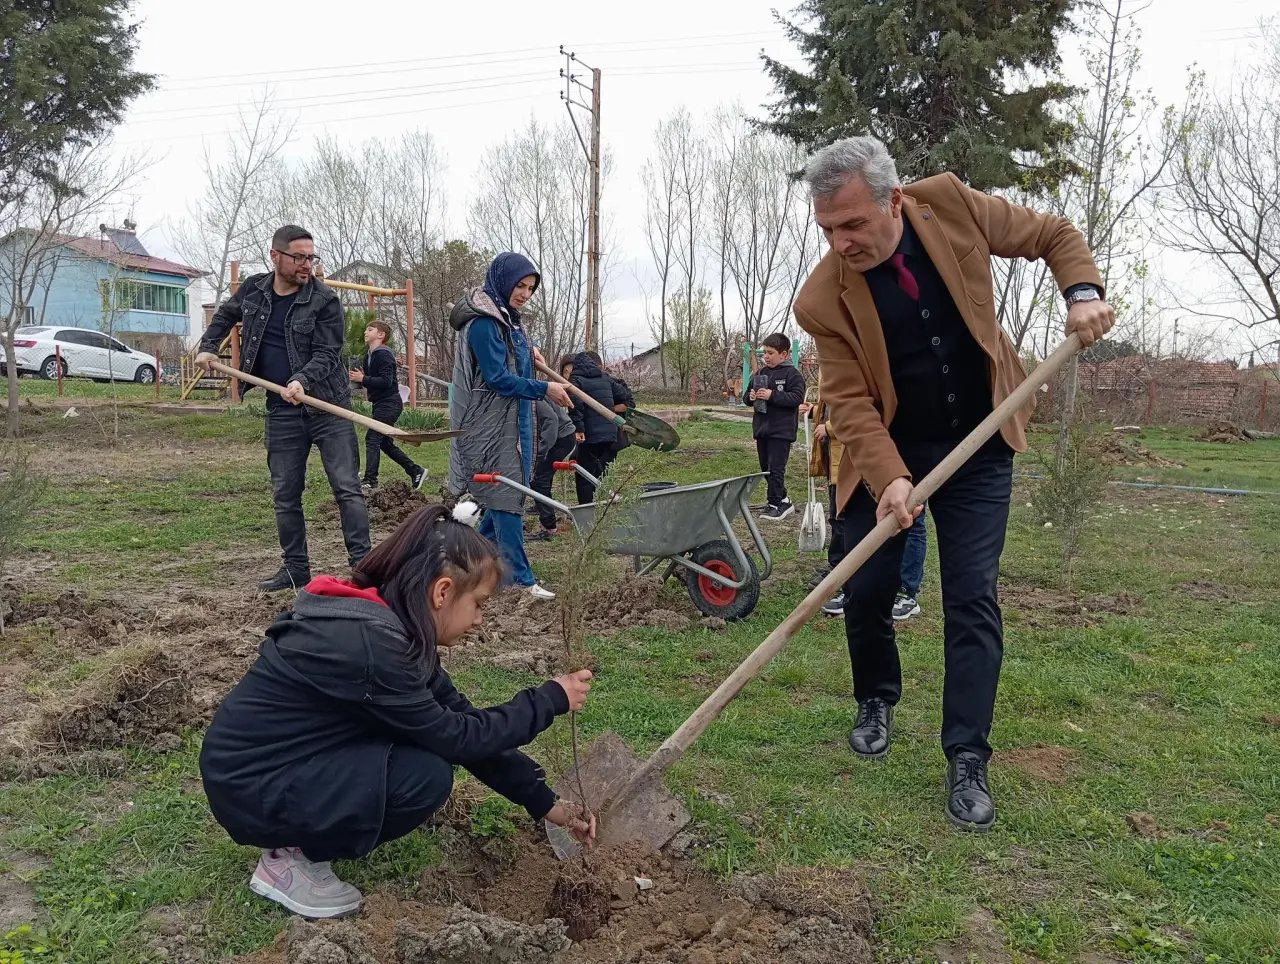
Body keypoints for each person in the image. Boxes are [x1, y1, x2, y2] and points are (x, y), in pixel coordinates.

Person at [793, 136, 1113, 831]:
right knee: (869, 589)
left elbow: (1052, 234)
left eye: (852, 224)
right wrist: (891, 479)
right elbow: (848, 403)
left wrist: (1082, 291)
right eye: (828, 230)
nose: (841, 242)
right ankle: (876, 697)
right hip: (890, 448)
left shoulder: (951, 205)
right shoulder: (822, 299)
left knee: (972, 598)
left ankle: (967, 755)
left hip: (981, 436)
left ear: (894, 200)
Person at [199, 504, 597, 919]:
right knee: (424, 776)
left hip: (276, 768)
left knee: (420, 752)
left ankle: (301, 829)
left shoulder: (391, 631)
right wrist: (549, 698)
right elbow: (457, 737)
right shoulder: (374, 650)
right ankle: (289, 859)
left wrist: (546, 802)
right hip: (251, 786)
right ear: (442, 592)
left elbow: (461, 722)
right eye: (478, 603)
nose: (480, 620)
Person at [196, 224, 370, 593]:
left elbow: (327, 353)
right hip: (281, 411)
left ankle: (363, 566)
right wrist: (209, 345)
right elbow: (226, 315)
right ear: (275, 256)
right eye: (300, 257)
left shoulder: (324, 300)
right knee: (285, 493)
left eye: (312, 257)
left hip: (328, 408)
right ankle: (295, 569)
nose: (308, 264)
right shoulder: (254, 291)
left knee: (347, 488)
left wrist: (302, 380)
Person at [447, 252, 572, 601]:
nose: (525, 294)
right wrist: (545, 387)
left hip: (511, 420)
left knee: (506, 496)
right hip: (490, 424)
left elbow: (512, 365)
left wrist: (534, 362)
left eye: (531, 288)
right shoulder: (486, 322)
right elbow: (499, 378)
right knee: (507, 498)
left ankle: (463, 563)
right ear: (503, 281)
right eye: (520, 285)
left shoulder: (508, 320)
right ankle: (520, 579)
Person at [349, 320, 426, 494]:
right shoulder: (369, 355)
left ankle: (370, 480)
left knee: (372, 438)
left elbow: (386, 381)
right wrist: (359, 379)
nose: (365, 332)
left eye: (370, 329)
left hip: (390, 403)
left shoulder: (383, 354)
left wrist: (363, 379)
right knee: (383, 442)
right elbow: (372, 381)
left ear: (381, 335)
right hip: (380, 404)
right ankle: (415, 471)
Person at [743, 333, 807, 521]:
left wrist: (772, 395)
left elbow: (796, 398)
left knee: (776, 468)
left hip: (782, 431)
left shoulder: (792, 375)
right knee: (766, 468)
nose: (766, 356)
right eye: (764, 352)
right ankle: (783, 499)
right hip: (762, 429)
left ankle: (774, 504)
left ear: (784, 354)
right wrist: (751, 398)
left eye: (771, 353)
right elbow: (747, 397)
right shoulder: (760, 374)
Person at [565, 350, 619, 505]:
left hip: (590, 435)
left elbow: (575, 406)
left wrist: (579, 429)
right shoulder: (605, 378)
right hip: (610, 433)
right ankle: (603, 507)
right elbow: (622, 395)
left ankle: (586, 510)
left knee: (584, 476)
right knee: (601, 472)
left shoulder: (575, 381)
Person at [528, 395, 576, 540]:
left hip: (561, 438)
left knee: (538, 481)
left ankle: (549, 527)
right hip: (563, 435)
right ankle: (543, 507)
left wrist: (541, 450)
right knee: (543, 477)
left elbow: (551, 420)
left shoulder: (531, 396)